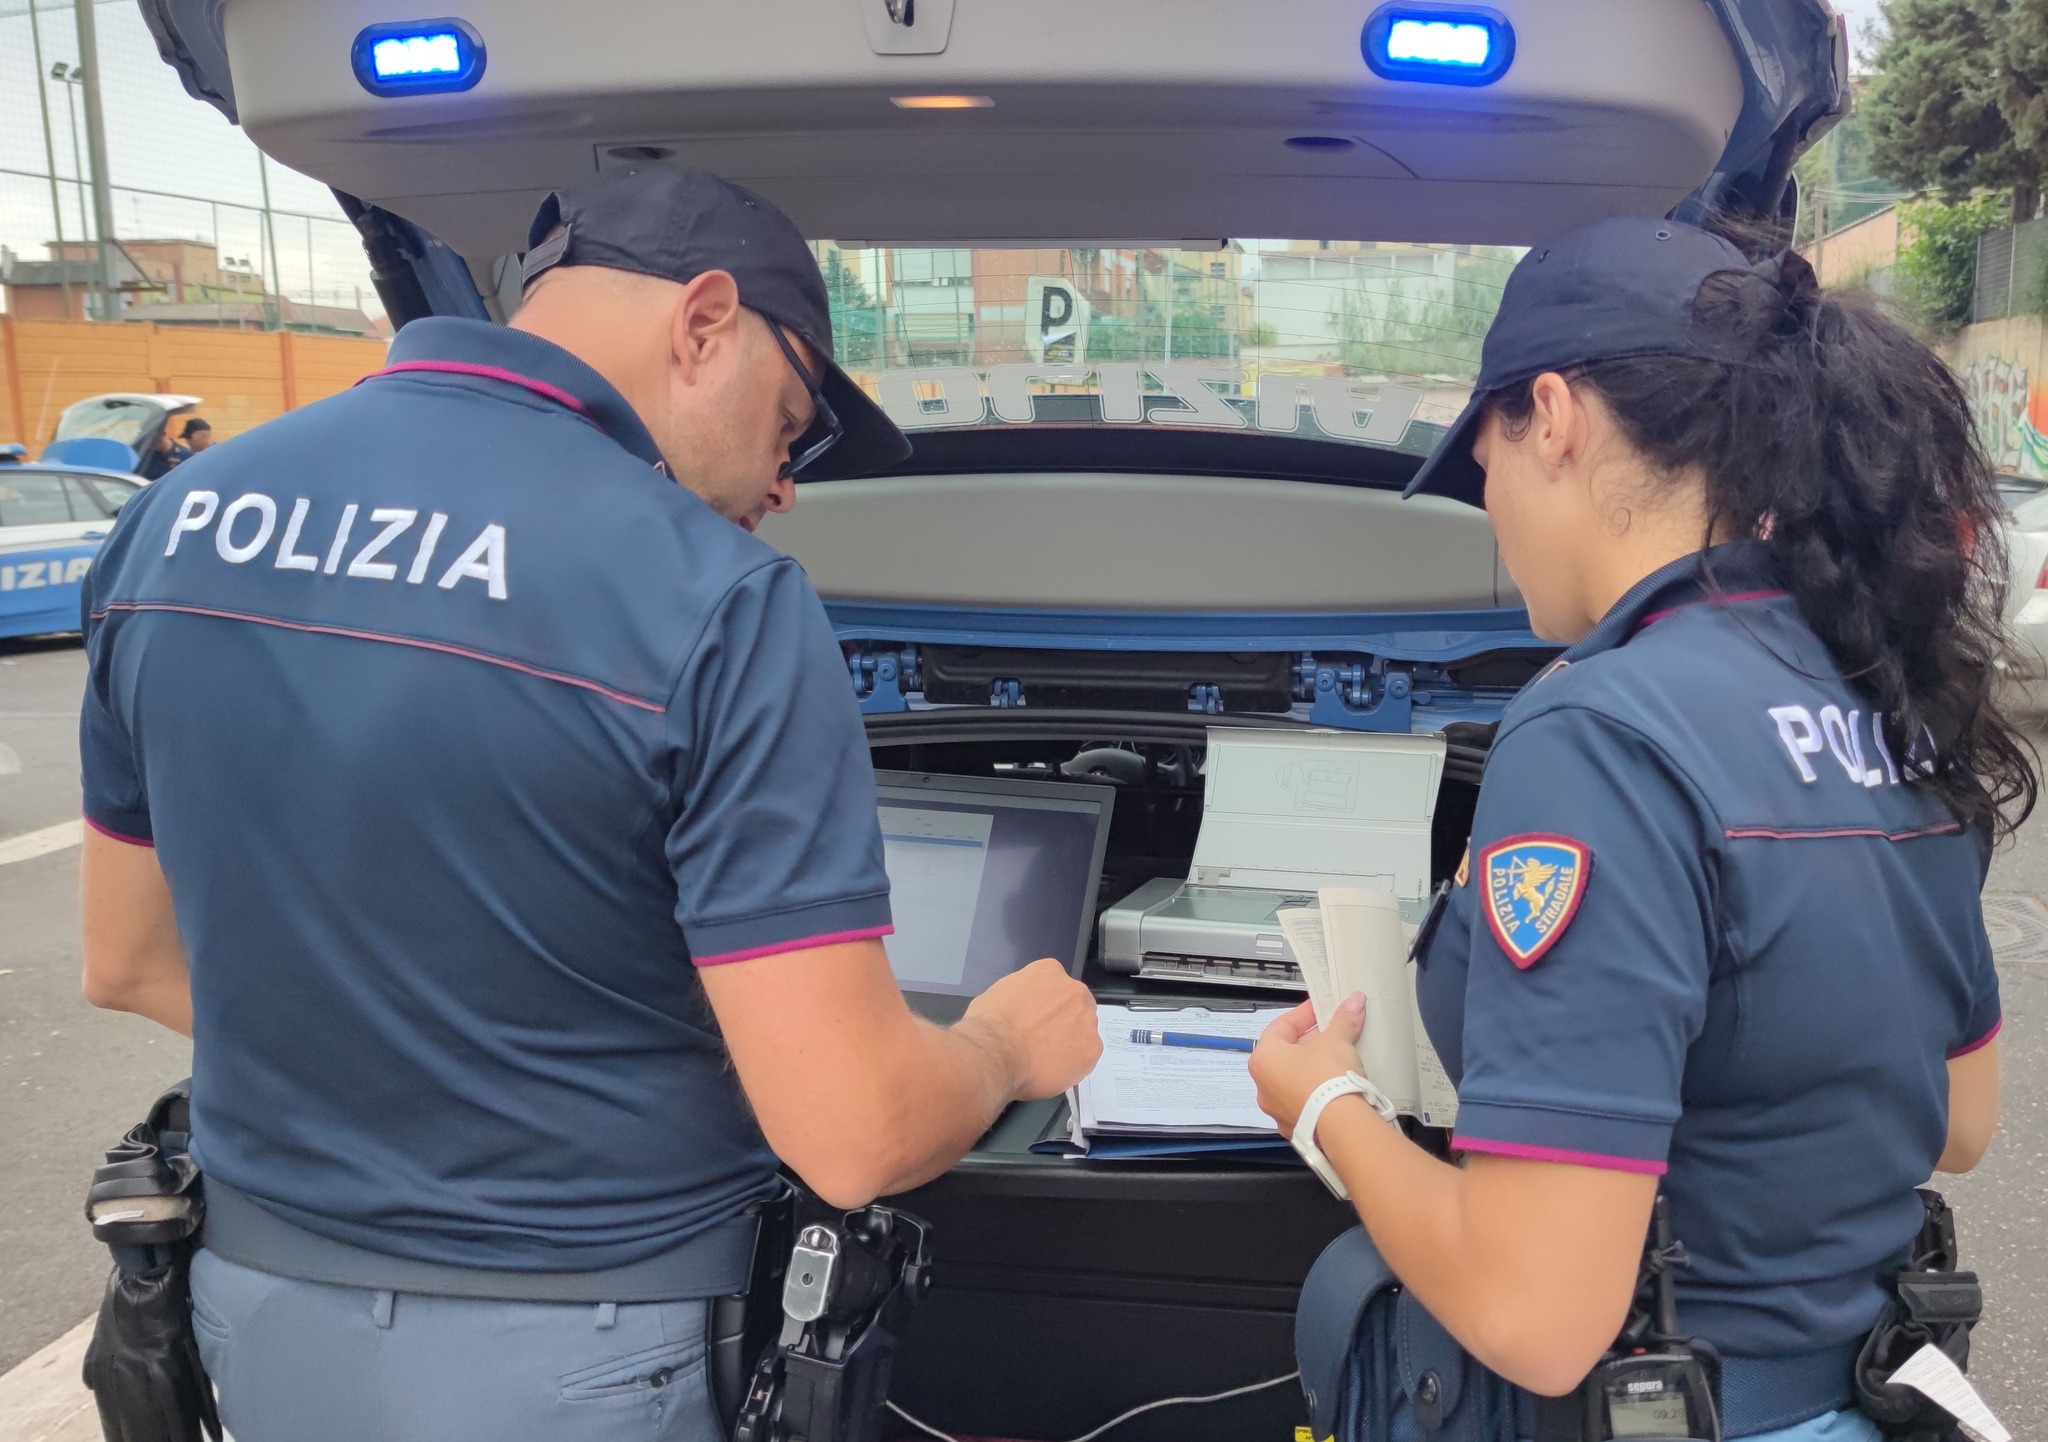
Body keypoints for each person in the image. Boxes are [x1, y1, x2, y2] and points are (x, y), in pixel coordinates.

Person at [76, 167, 1101, 1442]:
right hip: (584, 1347)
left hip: (262, 1310)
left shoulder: (178, 522)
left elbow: (129, 957)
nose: (784, 485)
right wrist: (1001, 1044)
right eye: (790, 426)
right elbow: (852, 1131)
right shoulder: (710, 592)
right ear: (703, 322)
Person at [1252, 217, 2021, 1441]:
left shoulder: (1598, 734)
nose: (1488, 508)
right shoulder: (1876, 686)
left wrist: (1321, 1103)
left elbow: (1536, 1311)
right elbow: (1958, 1117)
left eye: (1482, 461)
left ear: (1553, 417)